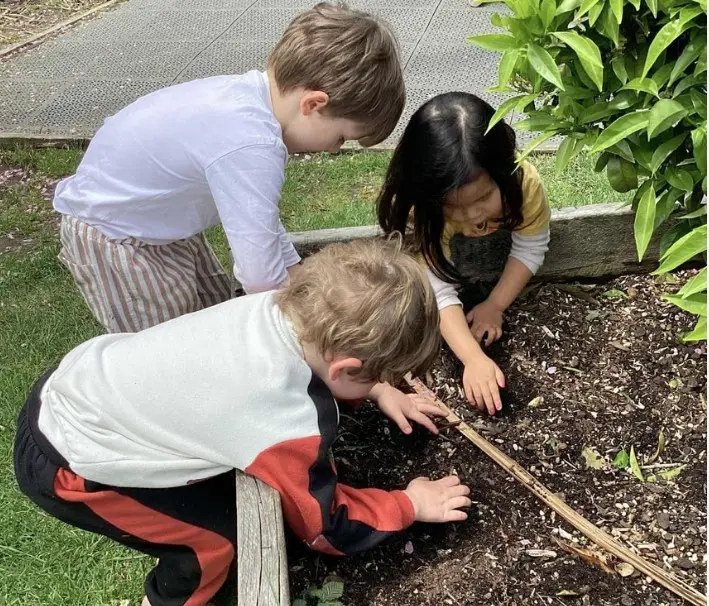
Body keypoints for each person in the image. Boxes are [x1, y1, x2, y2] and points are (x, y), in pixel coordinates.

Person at [14, 239, 472, 606]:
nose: (387, 385)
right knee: (212, 543)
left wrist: (377, 388)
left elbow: (334, 369)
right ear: (344, 369)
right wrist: (410, 504)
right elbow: (324, 526)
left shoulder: (277, 309)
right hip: (72, 463)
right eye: (383, 376)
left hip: (76, 387)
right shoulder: (283, 416)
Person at [53, 2, 405, 333]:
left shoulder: (251, 107)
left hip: (157, 221)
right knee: (169, 346)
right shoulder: (252, 143)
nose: (333, 149)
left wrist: (299, 276)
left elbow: (261, 226)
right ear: (313, 104)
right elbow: (260, 278)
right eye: (342, 137)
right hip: (117, 236)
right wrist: (313, 328)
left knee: (211, 316)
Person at [376, 92, 551, 416]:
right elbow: (437, 287)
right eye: (454, 207)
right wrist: (472, 357)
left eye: (483, 197)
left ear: (505, 172)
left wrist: (495, 305)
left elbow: (531, 245)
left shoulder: (524, 184)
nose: (472, 216)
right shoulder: (425, 208)